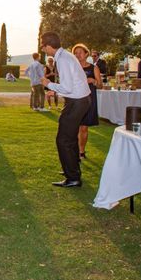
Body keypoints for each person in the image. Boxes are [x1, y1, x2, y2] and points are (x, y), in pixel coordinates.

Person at [40, 32, 91, 188]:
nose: (42, 49)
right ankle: (72, 168)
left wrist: (49, 84)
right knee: (69, 137)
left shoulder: (62, 59)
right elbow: (71, 85)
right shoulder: (65, 56)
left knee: (63, 139)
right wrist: (55, 90)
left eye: (43, 46)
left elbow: (67, 87)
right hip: (79, 100)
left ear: (49, 46)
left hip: (77, 102)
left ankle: (73, 177)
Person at [72, 44, 101, 160]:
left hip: (89, 100)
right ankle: (73, 152)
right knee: (73, 128)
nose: (78, 55)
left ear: (86, 54)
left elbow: (100, 85)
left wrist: (93, 80)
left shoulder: (93, 68)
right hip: (75, 100)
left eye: (80, 52)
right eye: (76, 53)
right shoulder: (72, 68)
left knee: (83, 128)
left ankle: (81, 151)